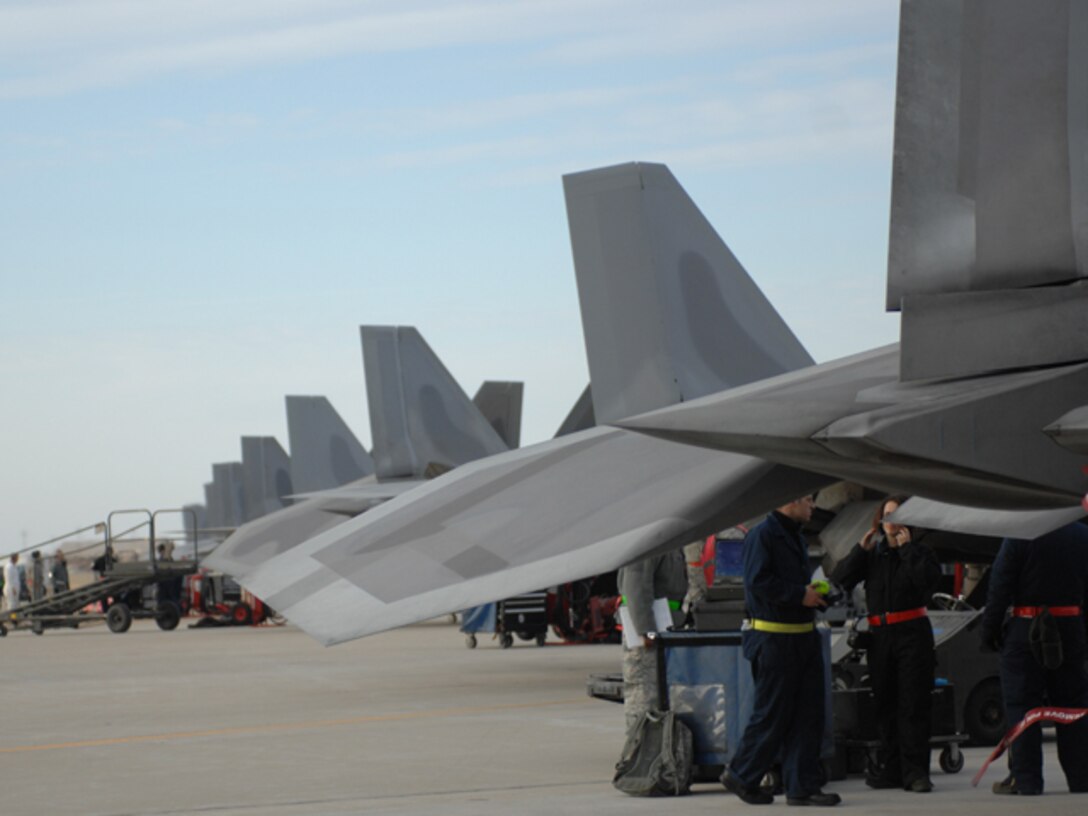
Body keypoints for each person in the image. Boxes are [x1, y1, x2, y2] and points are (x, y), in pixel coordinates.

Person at [721, 495, 841, 807]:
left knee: (807, 715)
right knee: (772, 714)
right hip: (774, 640)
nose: (813, 506)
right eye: (808, 501)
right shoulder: (763, 535)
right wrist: (798, 596)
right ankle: (741, 774)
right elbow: (758, 582)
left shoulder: (793, 536)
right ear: (790, 502)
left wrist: (815, 596)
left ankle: (802, 786)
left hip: (802, 638)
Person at [832, 495, 941, 792]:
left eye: (897, 515)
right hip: (881, 638)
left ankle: (916, 771)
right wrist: (859, 550)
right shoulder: (873, 556)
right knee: (885, 705)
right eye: (887, 515)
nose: (891, 520)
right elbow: (839, 580)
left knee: (913, 704)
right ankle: (892, 769)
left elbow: (927, 584)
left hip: (912, 635)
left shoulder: (922, 553)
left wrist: (907, 551)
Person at [980, 522, 1088, 796]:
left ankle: (1026, 780)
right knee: (1072, 708)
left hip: (1026, 629)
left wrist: (990, 631)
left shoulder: (1020, 533)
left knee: (1022, 707)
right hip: (1070, 627)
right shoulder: (1082, 535)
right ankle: (1081, 778)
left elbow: (1000, 584)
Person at [616, 547, 687, 735]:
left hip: (665, 627)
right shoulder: (651, 543)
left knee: (660, 694)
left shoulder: (671, 542)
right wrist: (646, 630)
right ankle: (639, 746)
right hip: (649, 631)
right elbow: (636, 587)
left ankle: (658, 744)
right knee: (643, 693)